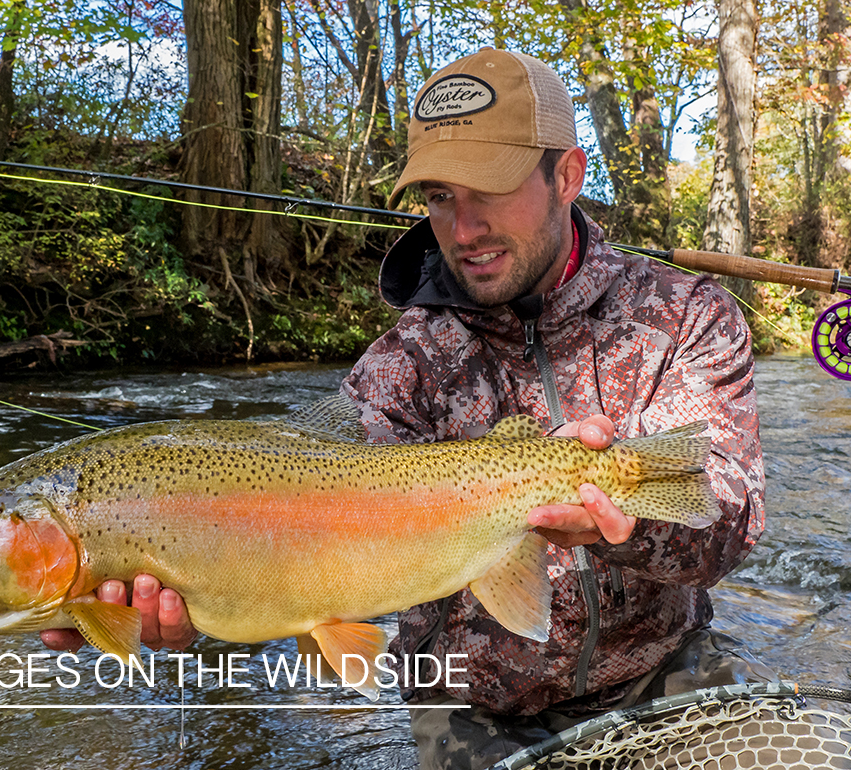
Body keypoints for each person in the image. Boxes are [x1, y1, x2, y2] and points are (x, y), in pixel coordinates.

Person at [43, 48, 772, 769]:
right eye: (438, 195)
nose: (461, 228)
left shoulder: (683, 317)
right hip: (472, 708)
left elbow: (727, 521)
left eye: (488, 188)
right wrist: (188, 593)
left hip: (664, 679)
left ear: (567, 176)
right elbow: (309, 554)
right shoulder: (398, 368)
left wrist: (623, 521)